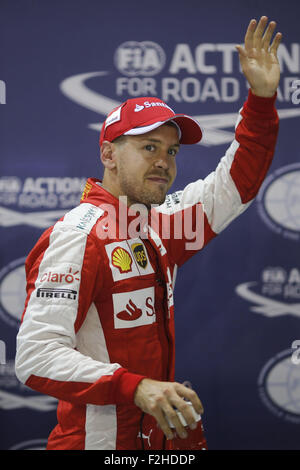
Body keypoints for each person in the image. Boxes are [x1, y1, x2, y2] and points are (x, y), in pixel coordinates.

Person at [15, 16, 281, 450]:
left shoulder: (158, 225)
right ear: (108, 154)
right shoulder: (79, 236)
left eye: (171, 150)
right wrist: (136, 387)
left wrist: (262, 100)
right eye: (148, 147)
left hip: (154, 442)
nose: (164, 161)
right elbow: (35, 357)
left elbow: (236, 184)